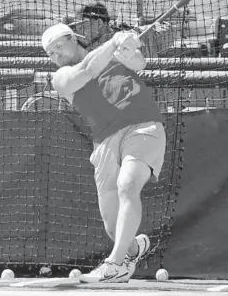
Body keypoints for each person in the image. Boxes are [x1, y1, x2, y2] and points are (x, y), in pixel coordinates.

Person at [41, 23, 166, 283]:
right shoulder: (61, 78)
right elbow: (88, 69)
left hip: (142, 125)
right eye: (50, 53)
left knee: (128, 185)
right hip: (104, 142)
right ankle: (133, 250)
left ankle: (114, 264)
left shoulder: (111, 53)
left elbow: (139, 63)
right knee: (112, 224)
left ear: (73, 39)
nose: (56, 56)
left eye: (58, 47)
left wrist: (129, 47)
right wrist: (114, 42)